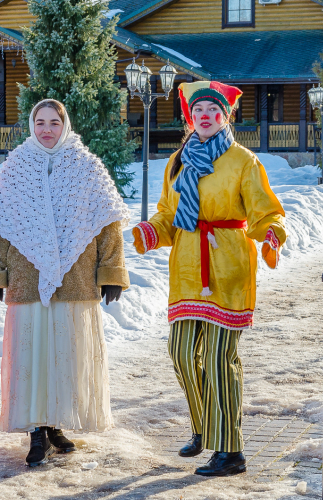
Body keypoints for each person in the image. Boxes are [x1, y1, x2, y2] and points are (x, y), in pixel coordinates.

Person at [132, 81, 287, 477]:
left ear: (225, 116)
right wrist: (151, 231)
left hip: (228, 266)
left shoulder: (243, 161)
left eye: (212, 109)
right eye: (197, 109)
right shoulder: (177, 161)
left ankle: (230, 450)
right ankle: (206, 427)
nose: (204, 115)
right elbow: (169, 213)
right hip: (187, 267)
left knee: (219, 358)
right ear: (190, 117)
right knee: (182, 353)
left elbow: (264, 211)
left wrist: (271, 232)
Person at [0, 99, 130, 467]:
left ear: (65, 124)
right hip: (28, 280)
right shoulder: (17, 166)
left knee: (65, 354)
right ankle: (35, 432)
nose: (46, 129)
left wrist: (111, 273)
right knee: (33, 355)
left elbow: (108, 223)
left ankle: (55, 424)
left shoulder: (86, 165)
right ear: (31, 125)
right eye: (40, 122)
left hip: (74, 279)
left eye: (54, 122)